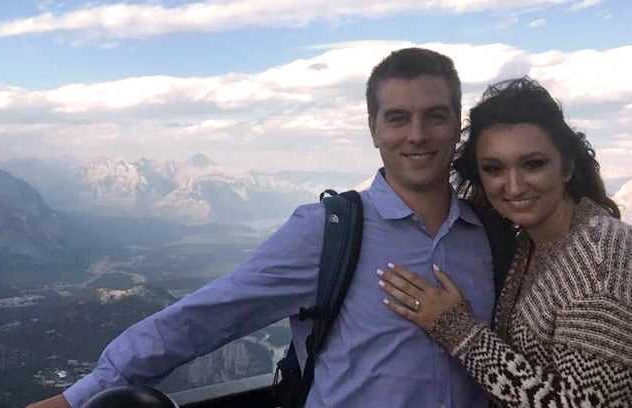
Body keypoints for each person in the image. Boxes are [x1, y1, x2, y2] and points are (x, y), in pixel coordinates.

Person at [27, 47, 497, 408]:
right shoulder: (328, 233)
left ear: (457, 124)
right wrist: (80, 397)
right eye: (398, 118)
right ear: (373, 129)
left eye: (435, 116)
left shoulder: (491, 235)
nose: (417, 134)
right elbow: (207, 315)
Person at [379, 77, 632, 406]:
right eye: (494, 168)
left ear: (566, 167)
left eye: (533, 164)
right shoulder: (534, 243)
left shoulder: (600, 256)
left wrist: (458, 330)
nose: (513, 187)